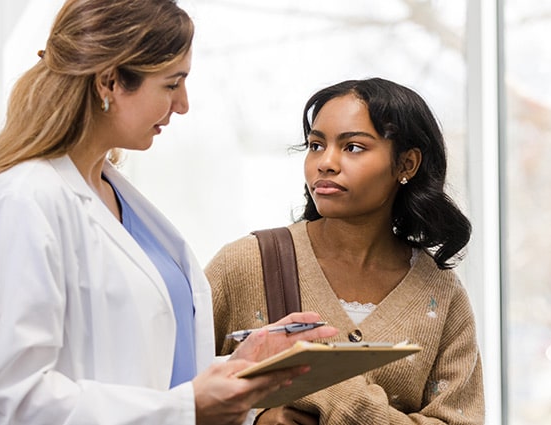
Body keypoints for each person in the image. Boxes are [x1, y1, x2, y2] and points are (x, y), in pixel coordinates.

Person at [0, 1, 337, 424]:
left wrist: (237, 367)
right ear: (110, 82)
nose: (182, 104)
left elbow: (145, 368)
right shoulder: (23, 202)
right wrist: (186, 408)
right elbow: (10, 399)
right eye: (171, 84)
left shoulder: (113, 194)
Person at [206, 77, 485, 424]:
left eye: (352, 147)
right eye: (316, 145)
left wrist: (335, 395)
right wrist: (257, 420)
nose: (326, 162)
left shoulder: (441, 293)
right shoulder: (246, 264)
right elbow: (172, 398)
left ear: (407, 164)